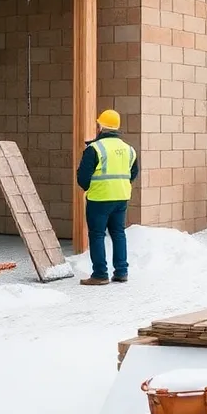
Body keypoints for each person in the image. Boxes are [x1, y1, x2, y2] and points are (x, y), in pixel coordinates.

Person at [76, 109, 139, 285]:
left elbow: (83, 179)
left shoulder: (94, 149)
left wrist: (90, 186)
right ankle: (121, 271)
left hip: (99, 199)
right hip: (121, 198)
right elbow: (133, 173)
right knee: (118, 233)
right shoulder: (129, 149)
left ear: (101, 127)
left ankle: (100, 274)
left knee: (97, 235)